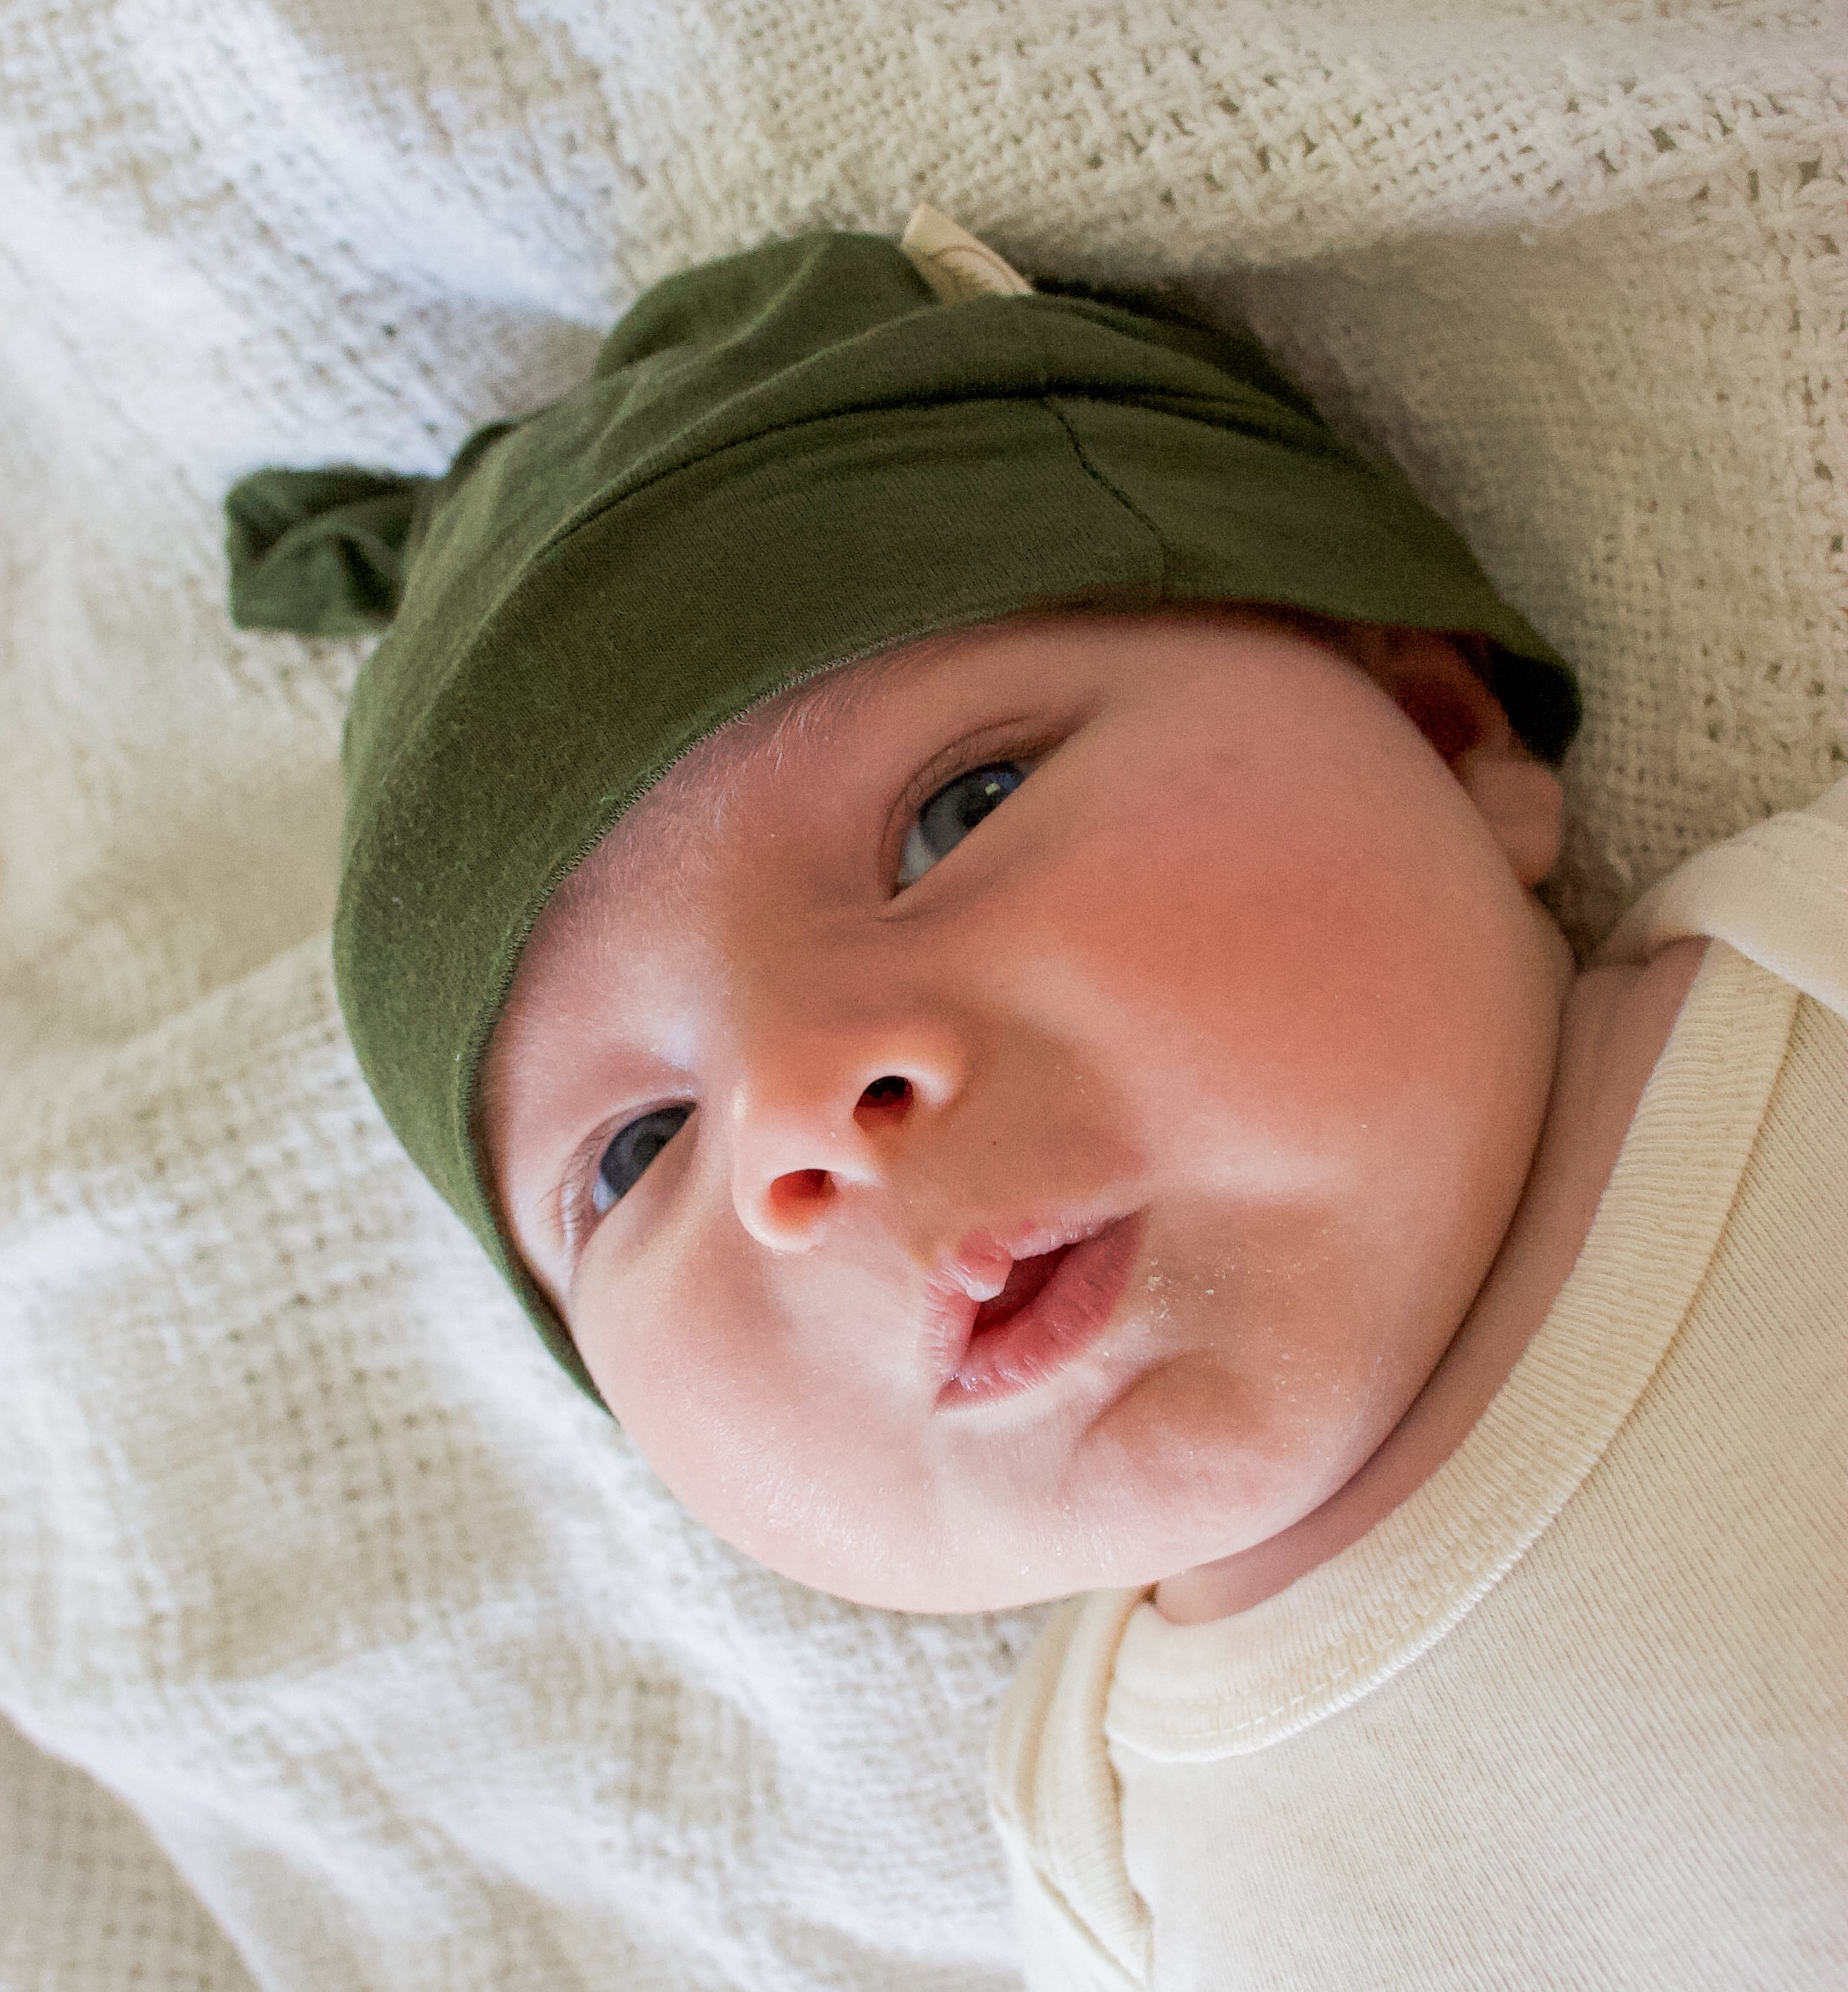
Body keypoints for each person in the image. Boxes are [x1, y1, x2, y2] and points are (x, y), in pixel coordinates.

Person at [226, 207, 1846, 1989]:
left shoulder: (1810, 973)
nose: (804, 1113)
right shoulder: (1106, 1861)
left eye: (955, 814)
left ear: (1444, 728)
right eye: (635, 1150)